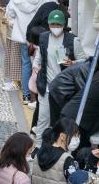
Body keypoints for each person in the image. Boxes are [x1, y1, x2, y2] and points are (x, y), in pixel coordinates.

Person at [48, 51, 99, 148]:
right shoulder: (85, 70)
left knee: (60, 125)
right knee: (60, 126)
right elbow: (84, 94)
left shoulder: (88, 66)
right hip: (59, 93)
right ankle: (57, 147)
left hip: (61, 91)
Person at [33, 10, 78, 139]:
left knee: (61, 121)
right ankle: (39, 147)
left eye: (58, 25)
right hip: (46, 86)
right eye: (53, 25)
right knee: (43, 120)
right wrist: (36, 67)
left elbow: (83, 61)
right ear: (48, 25)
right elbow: (39, 56)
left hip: (64, 90)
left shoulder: (73, 40)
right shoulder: (44, 38)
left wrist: (72, 63)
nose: (55, 28)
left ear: (63, 25)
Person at [30, 119, 87, 184]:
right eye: (74, 135)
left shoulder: (39, 152)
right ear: (62, 136)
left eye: (78, 136)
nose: (77, 139)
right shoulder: (67, 160)